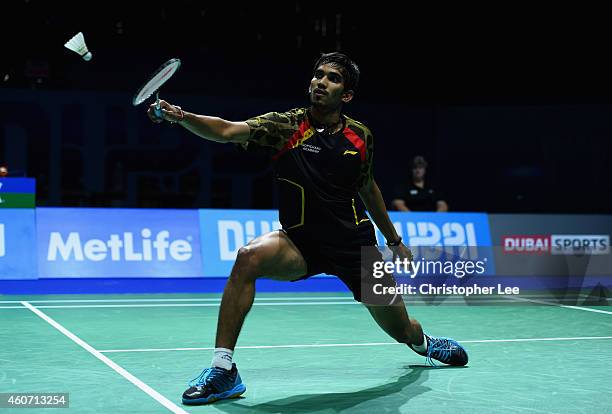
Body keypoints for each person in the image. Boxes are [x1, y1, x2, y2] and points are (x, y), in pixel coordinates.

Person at [147, 52, 468, 406]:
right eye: (318, 75)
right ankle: (223, 371)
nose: (320, 81)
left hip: (355, 249)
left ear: (346, 95)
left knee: (402, 329)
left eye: (332, 78)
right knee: (247, 257)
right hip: (302, 244)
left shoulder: (360, 137)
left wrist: (394, 240)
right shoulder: (285, 126)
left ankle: (424, 344)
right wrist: (182, 117)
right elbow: (225, 130)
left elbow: (368, 187)